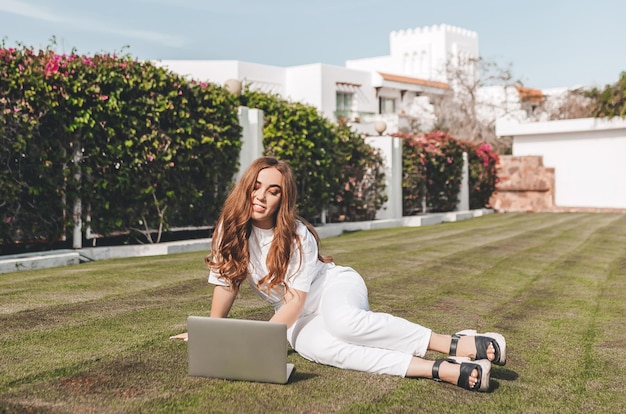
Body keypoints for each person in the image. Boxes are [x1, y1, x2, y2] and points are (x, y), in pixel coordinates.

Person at [174, 156, 506, 391]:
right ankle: (441, 369)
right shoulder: (228, 229)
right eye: (256, 186)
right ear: (246, 186)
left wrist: (255, 342)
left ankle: (453, 343)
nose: (261, 196)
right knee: (326, 350)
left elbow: (296, 299)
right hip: (294, 315)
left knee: (344, 323)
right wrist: (211, 332)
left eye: (273, 190)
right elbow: (226, 283)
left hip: (331, 286)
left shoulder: (295, 233)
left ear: (282, 198)